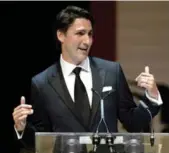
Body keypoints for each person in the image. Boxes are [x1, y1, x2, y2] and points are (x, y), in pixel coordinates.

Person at [12, 5, 163, 152]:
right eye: (80, 33)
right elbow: (41, 140)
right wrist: (22, 128)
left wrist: (152, 96)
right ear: (61, 35)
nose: (87, 41)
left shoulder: (111, 72)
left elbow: (133, 123)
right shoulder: (42, 83)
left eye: (90, 34)